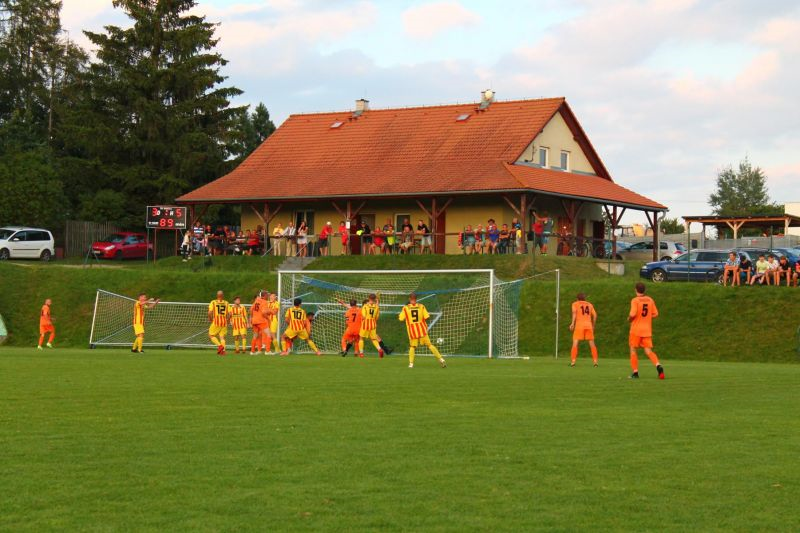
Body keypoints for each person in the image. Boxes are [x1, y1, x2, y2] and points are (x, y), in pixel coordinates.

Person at [398, 292, 446, 368]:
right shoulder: (421, 306)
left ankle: (411, 364)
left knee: (412, 347)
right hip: (422, 329)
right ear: (416, 299)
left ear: (409, 299)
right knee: (429, 345)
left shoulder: (405, 308)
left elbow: (400, 318)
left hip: (412, 330)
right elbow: (427, 317)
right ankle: (441, 359)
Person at [628, 283, 664, 379]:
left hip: (636, 329)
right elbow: (656, 314)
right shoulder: (650, 300)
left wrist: (629, 319)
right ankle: (658, 365)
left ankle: (635, 373)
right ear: (644, 290)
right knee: (648, 350)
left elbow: (633, 314)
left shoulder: (635, 300)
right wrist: (647, 317)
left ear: (636, 290)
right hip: (647, 330)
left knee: (632, 349)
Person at [569, 293, 598, 366]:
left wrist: (572, 323)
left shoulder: (575, 304)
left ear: (577, 298)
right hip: (588, 325)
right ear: (585, 298)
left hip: (579, 325)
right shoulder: (590, 304)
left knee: (575, 343)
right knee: (592, 343)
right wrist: (593, 325)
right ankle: (595, 362)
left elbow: (574, 313)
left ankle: (573, 361)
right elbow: (595, 316)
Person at [208, 290, 230, 355]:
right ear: (223, 296)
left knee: (211, 335)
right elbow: (230, 313)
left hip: (216, 322)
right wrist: (228, 320)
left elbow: (209, 312)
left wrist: (211, 319)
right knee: (222, 337)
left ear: (217, 295)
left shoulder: (213, 302)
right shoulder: (226, 303)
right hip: (224, 322)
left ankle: (220, 346)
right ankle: (223, 351)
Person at [250, 290, 271, 355]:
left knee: (255, 336)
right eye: (267, 295)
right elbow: (264, 312)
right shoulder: (264, 302)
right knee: (268, 334)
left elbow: (251, 309)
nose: (268, 296)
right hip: (261, 320)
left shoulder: (257, 300)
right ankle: (267, 351)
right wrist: (268, 318)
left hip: (254, 320)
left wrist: (251, 318)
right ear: (264, 296)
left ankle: (252, 351)